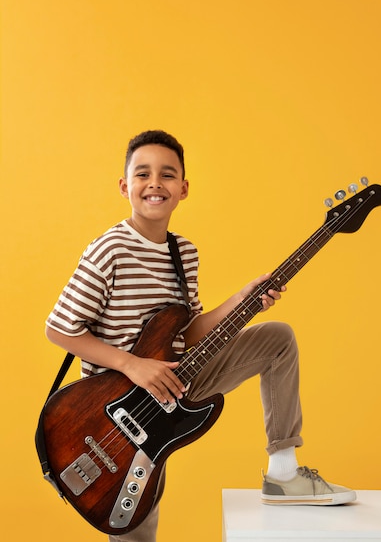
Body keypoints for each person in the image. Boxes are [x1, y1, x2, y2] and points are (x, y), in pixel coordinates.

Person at [46, 130, 356, 542]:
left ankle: (284, 473)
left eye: (167, 174)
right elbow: (59, 329)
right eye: (143, 174)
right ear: (125, 186)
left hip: (177, 382)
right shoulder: (109, 250)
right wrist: (133, 365)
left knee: (277, 338)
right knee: (136, 528)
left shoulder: (184, 252)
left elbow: (187, 332)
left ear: (183, 189)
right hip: (117, 409)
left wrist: (241, 299)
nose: (155, 182)